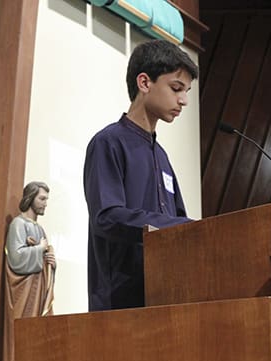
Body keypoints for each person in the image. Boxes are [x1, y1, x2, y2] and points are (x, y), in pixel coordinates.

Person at [83, 40, 198, 311]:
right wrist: (170, 227)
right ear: (144, 83)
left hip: (166, 297)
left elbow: (181, 223)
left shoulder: (163, 157)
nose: (184, 100)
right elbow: (107, 217)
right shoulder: (108, 142)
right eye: (176, 88)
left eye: (187, 91)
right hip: (120, 305)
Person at [2, 181, 56, 361]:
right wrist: (40, 249)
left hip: (38, 290)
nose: (45, 204)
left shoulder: (40, 228)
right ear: (31, 198)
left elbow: (42, 256)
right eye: (42, 198)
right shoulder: (18, 224)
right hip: (23, 294)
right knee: (23, 338)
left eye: (46, 199)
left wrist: (50, 260)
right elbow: (15, 259)